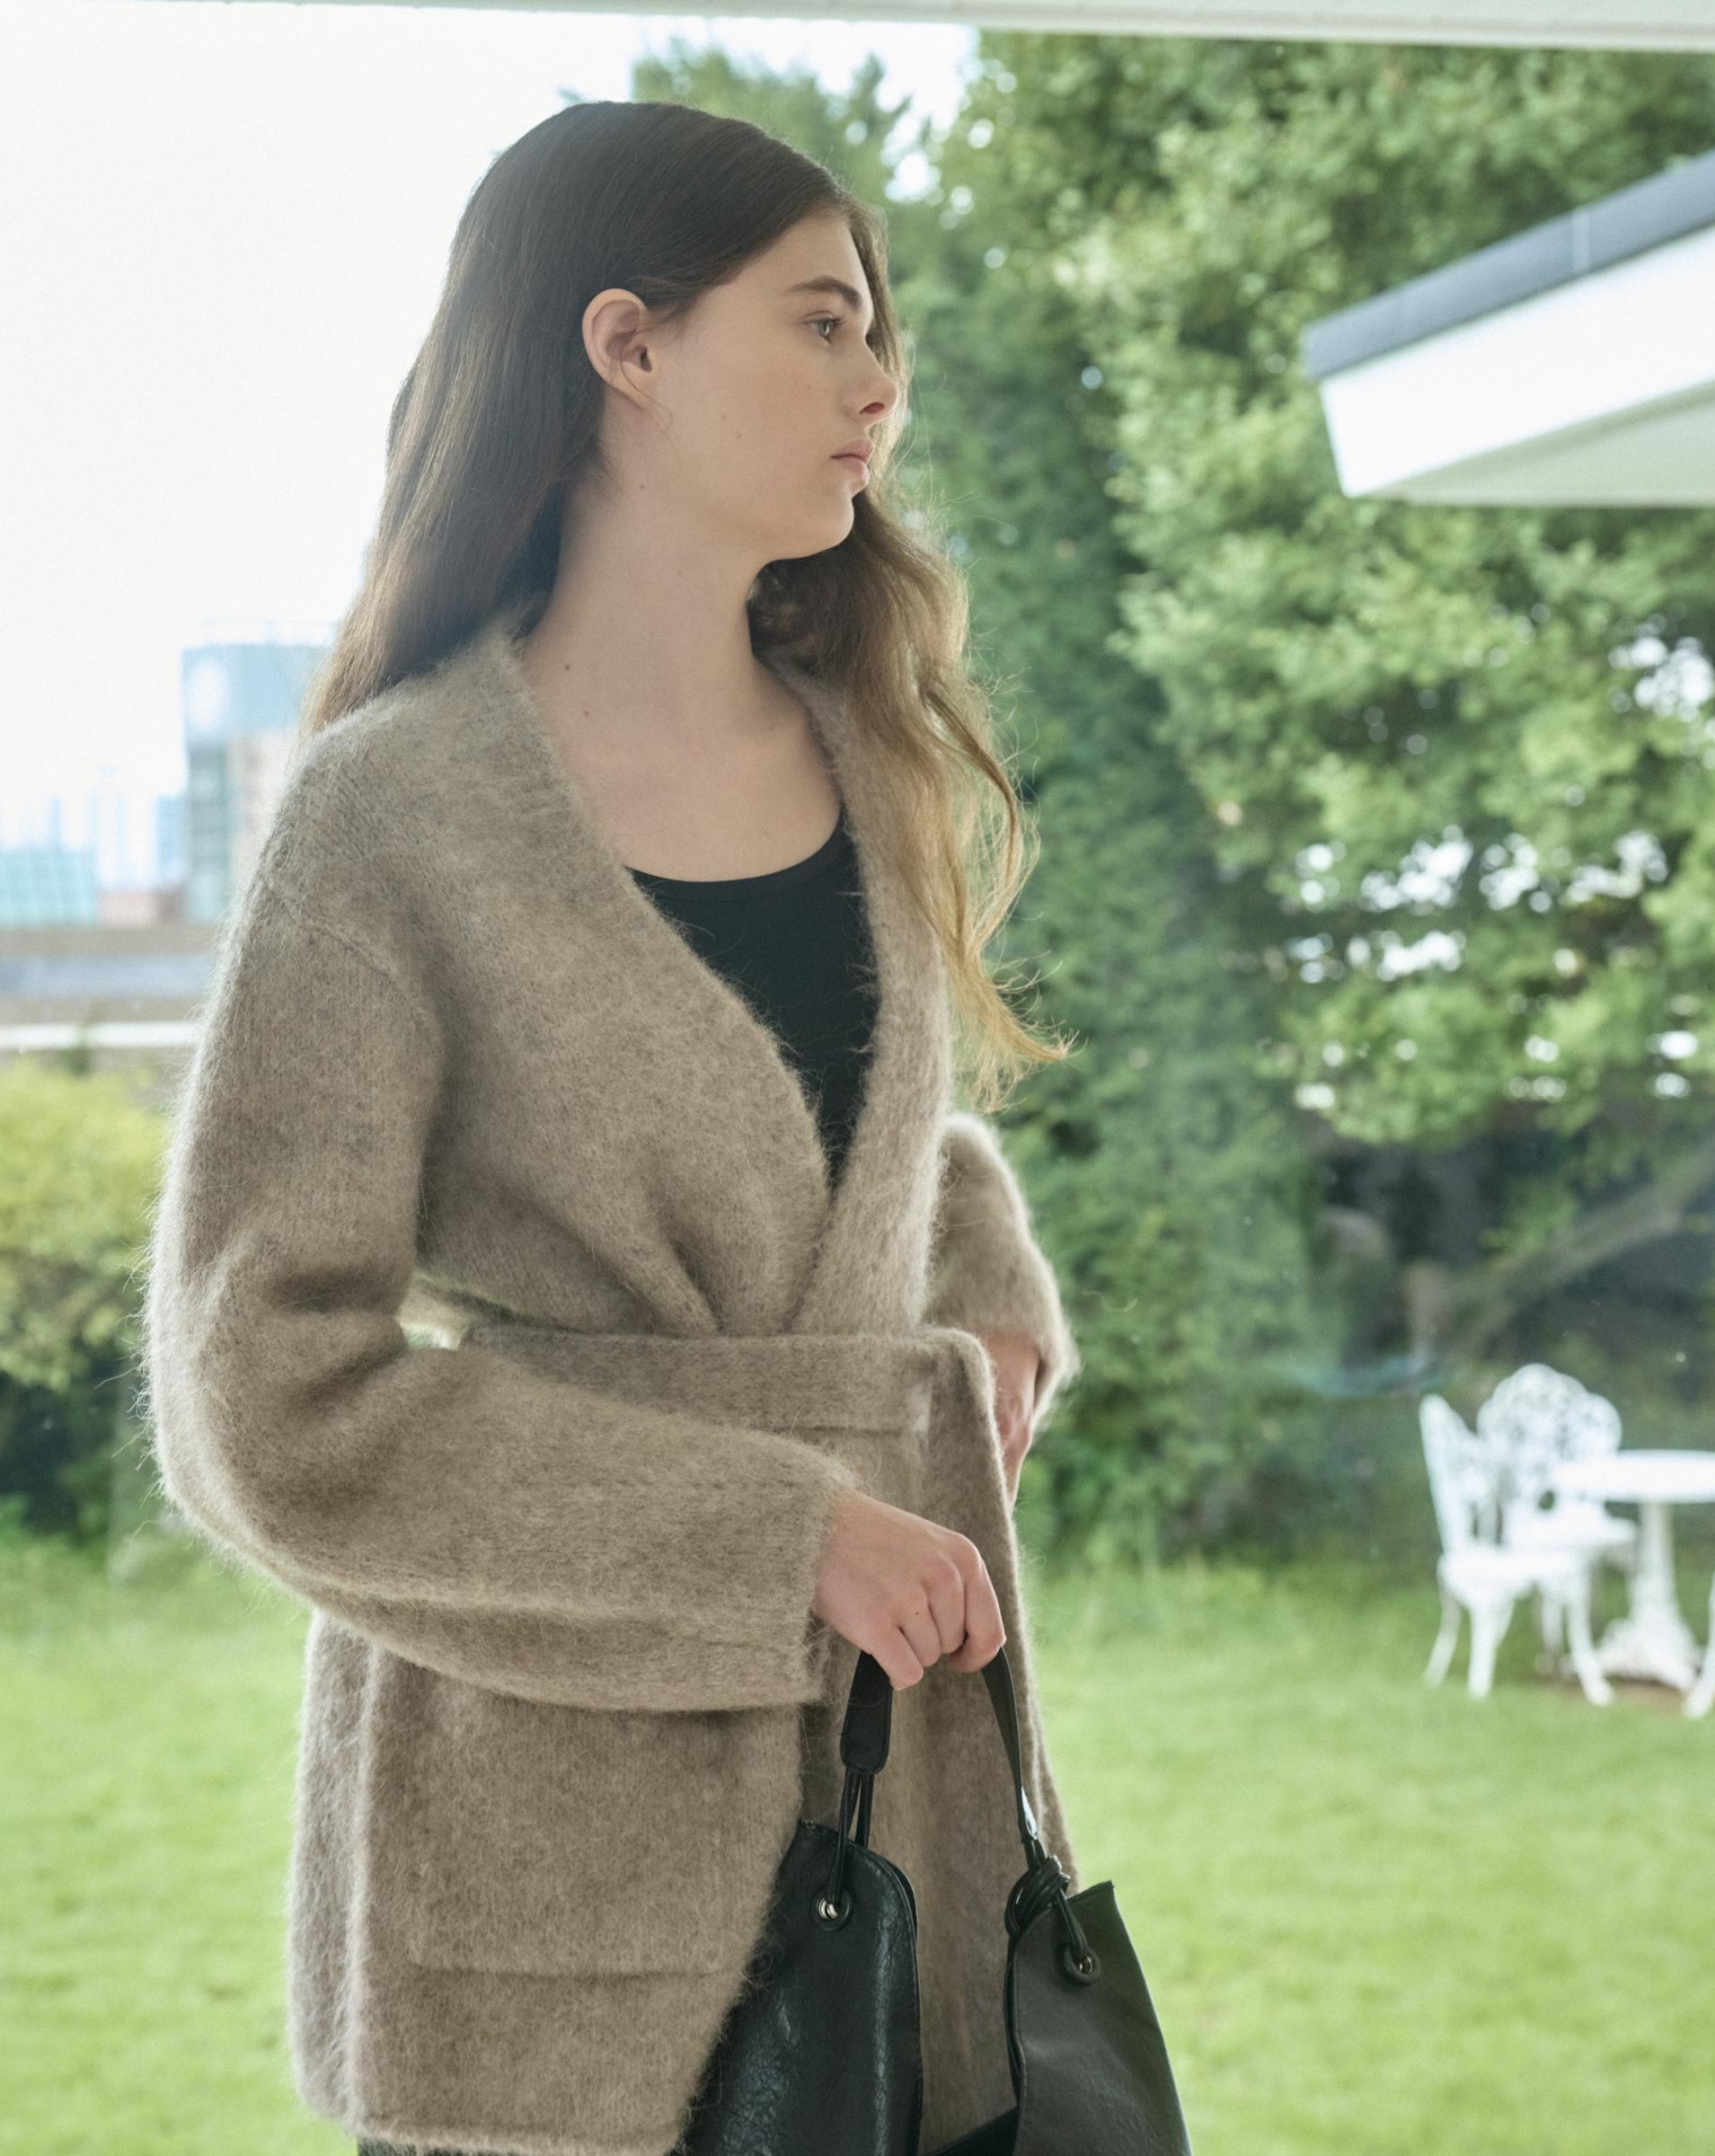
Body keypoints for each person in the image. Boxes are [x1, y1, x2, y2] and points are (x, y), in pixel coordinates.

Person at [141, 98, 1083, 2156]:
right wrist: (778, 1539)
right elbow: (262, 1393)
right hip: (542, 1884)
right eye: (823, 322)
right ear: (626, 345)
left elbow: (845, 1150)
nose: (880, 383)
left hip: (905, 1811)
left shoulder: (873, 762)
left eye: (881, 334)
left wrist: (982, 1275)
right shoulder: (390, 817)